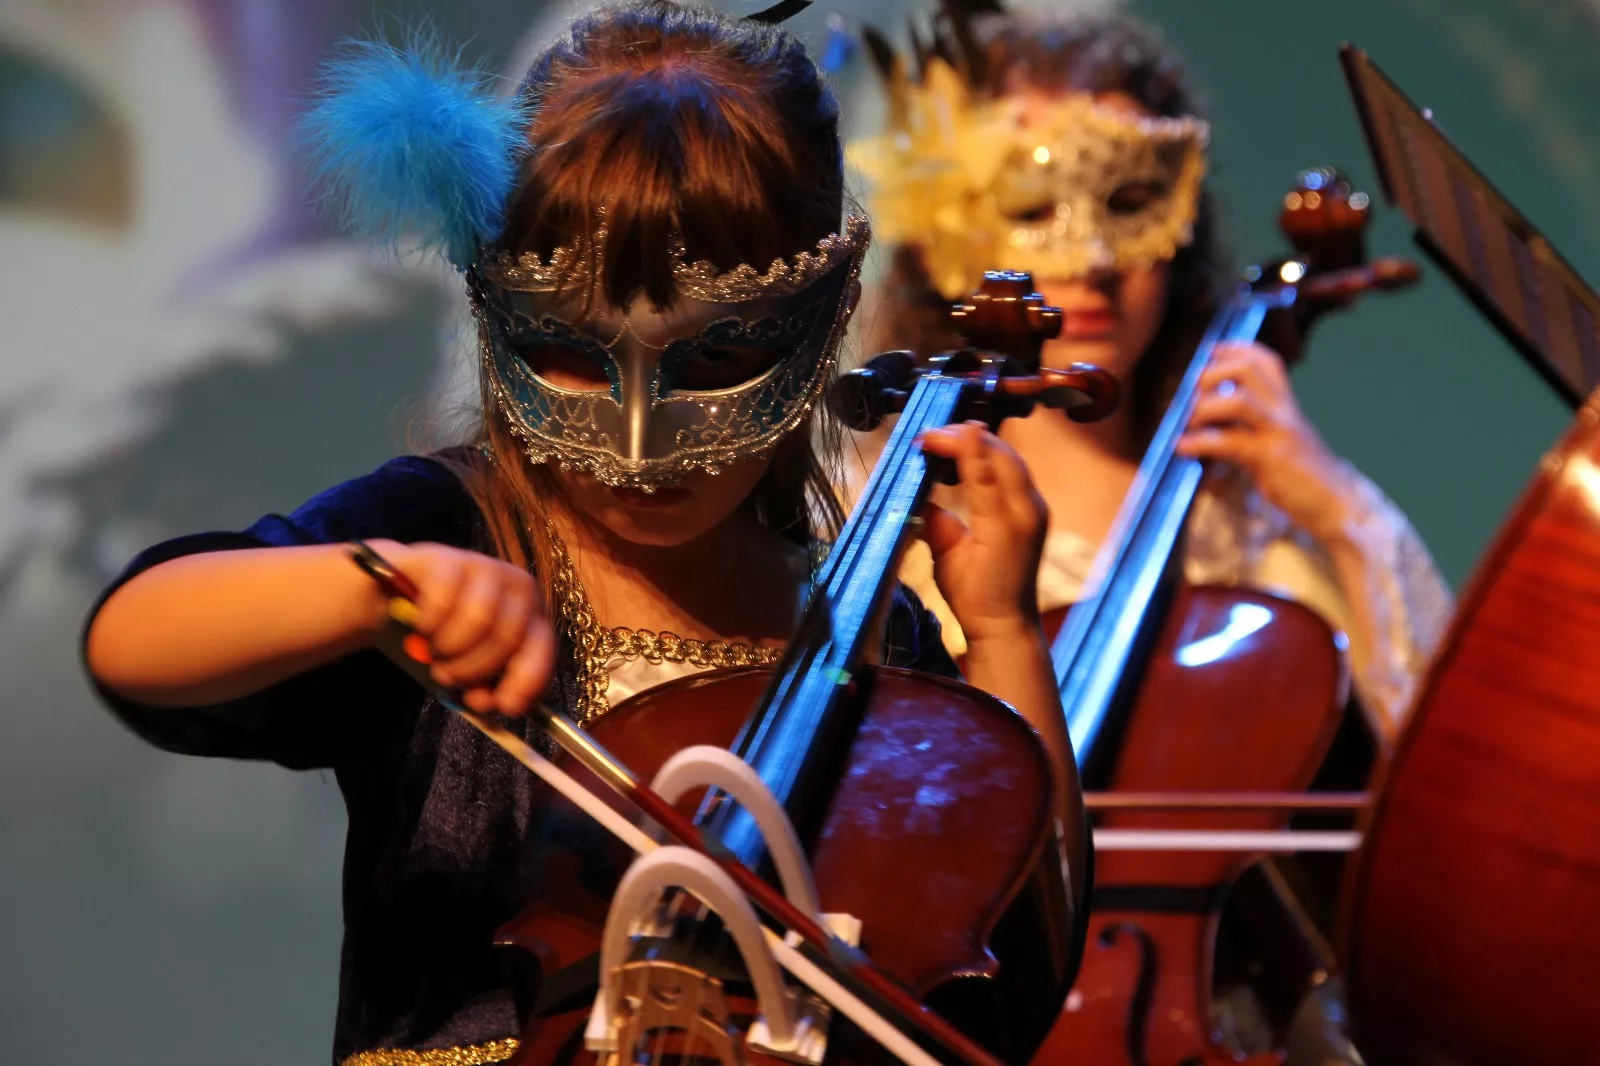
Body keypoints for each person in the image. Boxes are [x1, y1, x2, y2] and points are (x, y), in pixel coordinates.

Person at [81, 3, 1074, 1062]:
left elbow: (1022, 951)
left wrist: (1004, 630)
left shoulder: (864, 631)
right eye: (568, 352)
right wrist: (373, 588)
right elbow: (136, 641)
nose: (643, 445)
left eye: (715, 358)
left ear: (824, 322)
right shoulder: (454, 531)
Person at [844, 7, 1455, 1062]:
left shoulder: (1249, 517)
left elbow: (1442, 805)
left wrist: (1334, 504)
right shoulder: (870, 513)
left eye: (1129, 203)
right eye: (1030, 203)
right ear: (943, 232)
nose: (1086, 263)